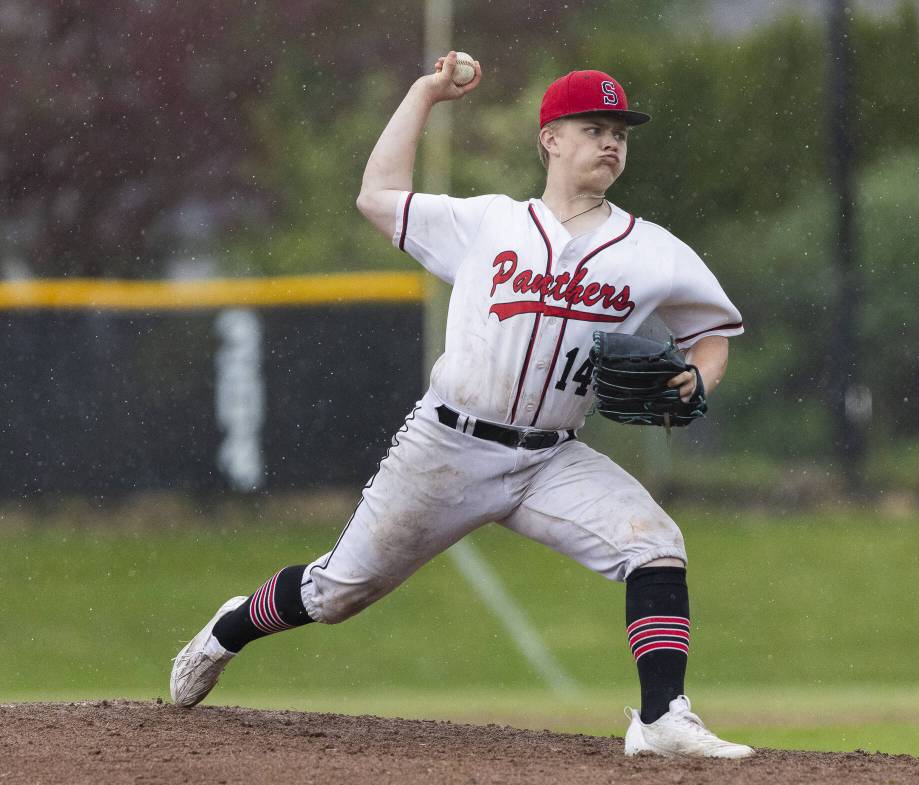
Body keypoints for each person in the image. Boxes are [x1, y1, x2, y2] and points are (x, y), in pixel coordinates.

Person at [170, 52, 751, 759]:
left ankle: (661, 716)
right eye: (594, 127)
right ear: (551, 139)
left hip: (551, 457)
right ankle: (231, 627)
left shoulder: (653, 251)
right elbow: (376, 196)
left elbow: (712, 335)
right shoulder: (488, 224)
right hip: (446, 446)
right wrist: (424, 94)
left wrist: (696, 380)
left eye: (620, 133)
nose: (611, 142)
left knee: (655, 542)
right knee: (335, 593)